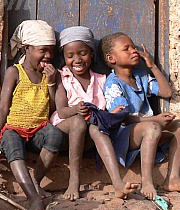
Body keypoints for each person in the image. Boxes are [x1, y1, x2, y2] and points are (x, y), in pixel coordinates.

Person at [100, 32, 180, 199]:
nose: (134, 51)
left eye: (133, 47)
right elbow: (122, 118)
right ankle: (147, 182)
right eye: (127, 49)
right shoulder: (113, 83)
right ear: (111, 58)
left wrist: (152, 66)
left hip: (147, 129)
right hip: (125, 137)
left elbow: (166, 92)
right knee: (152, 127)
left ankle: (173, 178)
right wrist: (155, 119)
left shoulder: (141, 77)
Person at [51, 26, 138, 200]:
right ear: (64, 58)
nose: (77, 60)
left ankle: (118, 184)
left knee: (95, 127)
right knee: (79, 121)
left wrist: (112, 113)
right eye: (70, 56)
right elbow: (61, 111)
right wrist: (76, 109)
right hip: (65, 131)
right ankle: (73, 181)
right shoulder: (62, 77)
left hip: (90, 137)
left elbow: (103, 111)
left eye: (82, 53)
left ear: (91, 54)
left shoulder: (101, 79)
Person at [0, 20, 65, 210]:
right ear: (27, 49)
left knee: (55, 135)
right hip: (14, 128)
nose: (48, 56)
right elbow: (4, 106)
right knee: (11, 143)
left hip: (38, 129)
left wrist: (50, 83)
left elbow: (53, 108)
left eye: (51, 51)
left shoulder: (50, 75)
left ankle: (36, 180)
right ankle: (33, 198)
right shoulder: (15, 72)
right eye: (42, 50)